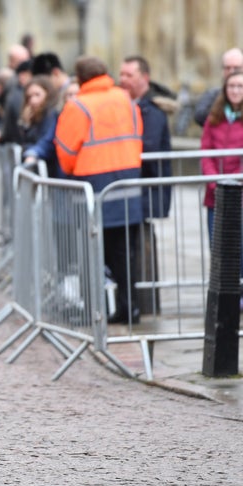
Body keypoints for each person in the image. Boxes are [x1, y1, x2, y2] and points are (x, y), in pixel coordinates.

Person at [55, 56, 143, 324]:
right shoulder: (124, 99)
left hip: (94, 187)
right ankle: (130, 308)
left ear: (80, 78)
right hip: (128, 182)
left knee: (91, 253)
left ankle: (96, 311)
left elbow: (66, 152)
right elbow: (138, 134)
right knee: (124, 253)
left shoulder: (77, 105)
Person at [119, 55, 173, 314]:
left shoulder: (152, 110)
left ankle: (147, 306)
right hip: (131, 193)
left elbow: (147, 147)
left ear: (145, 78)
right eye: (122, 74)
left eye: (129, 75)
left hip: (146, 193)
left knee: (142, 249)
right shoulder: (126, 105)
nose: (123, 80)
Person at [200, 70, 243, 244]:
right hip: (216, 195)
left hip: (240, 194)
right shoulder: (214, 117)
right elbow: (205, 151)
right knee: (218, 250)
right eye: (231, 86)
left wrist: (236, 181)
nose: (235, 91)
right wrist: (215, 182)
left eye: (240, 86)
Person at [195, 48, 243, 127]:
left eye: (236, 68)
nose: (231, 71)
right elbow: (199, 115)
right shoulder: (213, 94)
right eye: (227, 68)